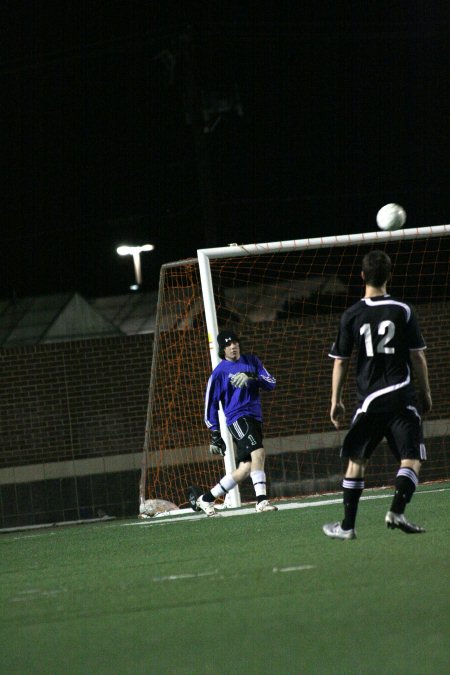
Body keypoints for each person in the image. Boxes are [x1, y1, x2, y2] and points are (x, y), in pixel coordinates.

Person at [323, 250, 432, 540]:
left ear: (362, 276)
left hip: (369, 400)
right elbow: (418, 357)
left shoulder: (352, 314)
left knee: (357, 460)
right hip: (401, 397)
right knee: (411, 458)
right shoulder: (402, 310)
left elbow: (341, 360)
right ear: (389, 276)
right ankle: (396, 511)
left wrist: (336, 400)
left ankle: (347, 527)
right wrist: (426, 393)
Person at [196, 330, 277, 516]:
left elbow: (271, 383)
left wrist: (252, 378)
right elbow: (210, 405)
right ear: (222, 349)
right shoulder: (218, 373)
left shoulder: (252, 361)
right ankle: (262, 501)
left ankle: (206, 499)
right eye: (228, 344)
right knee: (259, 451)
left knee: (245, 468)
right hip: (237, 418)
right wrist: (215, 433)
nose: (233, 346)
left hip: (255, 416)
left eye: (235, 342)